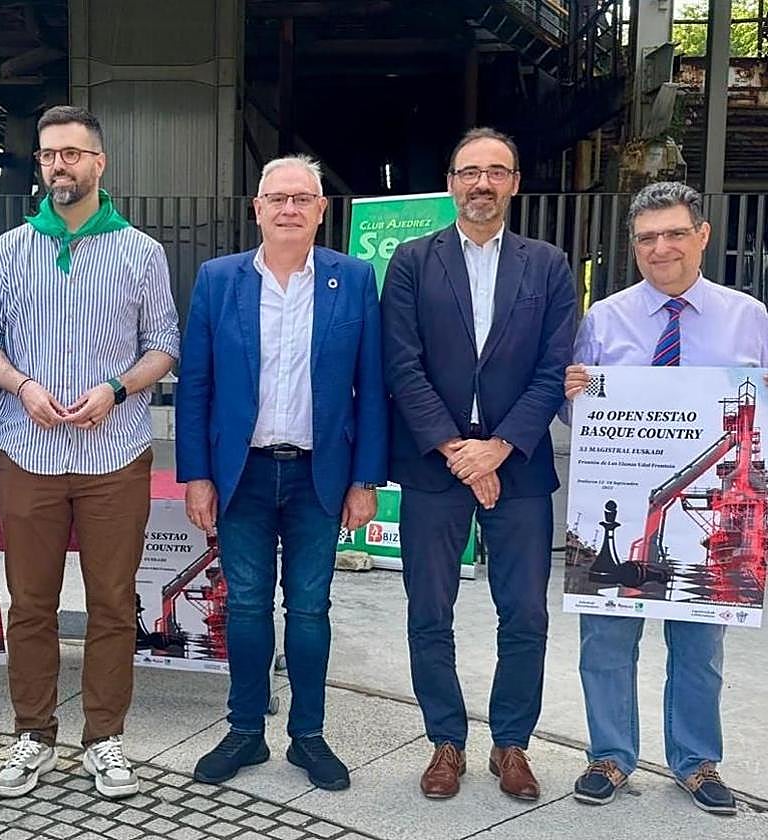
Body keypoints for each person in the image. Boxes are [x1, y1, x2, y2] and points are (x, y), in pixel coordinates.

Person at [0, 105, 179, 800]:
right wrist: (21, 386)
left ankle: (104, 739)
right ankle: (31, 734)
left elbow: (165, 346)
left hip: (114, 451)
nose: (60, 165)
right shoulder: (7, 250)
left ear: (100, 164)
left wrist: (115, 390)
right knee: (28, 603)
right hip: (26, 450)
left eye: (73, 154)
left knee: (113, 602)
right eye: (49, 153)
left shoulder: (141, 252)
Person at [175, 154, 387, 791]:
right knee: (244, 607)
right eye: (277, 198)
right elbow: (197, 385)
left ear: (322, 210)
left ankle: (309, 735)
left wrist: (365, 478)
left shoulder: (353, 280)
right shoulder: (219, 280)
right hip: (240, 474)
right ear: (257, 208)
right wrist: (197, 475)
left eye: (303, 198)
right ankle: (245, 731)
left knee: (311, 609)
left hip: (319, 477)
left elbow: (371, 386)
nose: (289, 209)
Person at [380, 127, 576, 801]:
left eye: (496, 172)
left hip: (517, 465)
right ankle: (445, 741)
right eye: (469, 172)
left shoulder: (548, 265)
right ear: (451, 181)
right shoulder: (411, 261)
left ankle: (511, 744)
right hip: (436, 464)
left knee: (525, 612)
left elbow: (554, 370)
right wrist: (456, 449)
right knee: (429, 610)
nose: (482, 184)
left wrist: (498, 447)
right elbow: (401, 366)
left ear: (514, 183)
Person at [564, 181, 768, 816]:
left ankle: (696, 761)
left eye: (676, 233)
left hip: (711, 501)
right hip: (626, 495)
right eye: (648, 238)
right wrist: (577, 395)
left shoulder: (750, 317)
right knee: (604, 641)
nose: (662, 248)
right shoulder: (604, 318)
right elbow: (581, 423)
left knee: (700, 646)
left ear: (702, 235)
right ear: (633, 246)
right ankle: (610, 755)